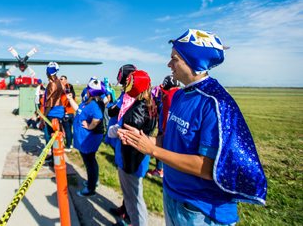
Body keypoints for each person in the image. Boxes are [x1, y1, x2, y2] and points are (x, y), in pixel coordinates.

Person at [119, 29, 267, 225]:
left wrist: (153, 150)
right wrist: (143, 140)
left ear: (194, 61)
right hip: (173, 194)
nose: (169, 64)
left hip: (199, 209)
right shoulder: (181, 96)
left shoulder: (215, 103)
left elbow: (207, 167)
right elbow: (171, 139)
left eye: (175, 58)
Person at [107, 69, 157, 226]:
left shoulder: (135, 111)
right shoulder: (149, 103)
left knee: (133, 199)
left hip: (131, 162)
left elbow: (124, 134)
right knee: (133, 198)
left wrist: (114, 130)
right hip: (139, 159)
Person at [67, 78, 106, 197]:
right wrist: (69, 99)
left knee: (89, 161)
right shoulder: (88, 101)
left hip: (90, 138)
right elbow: (78, 110)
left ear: (91, 91)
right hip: (87, 137)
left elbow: (97, 118)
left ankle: (91, 188)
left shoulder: (94, 104)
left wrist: (89, 126)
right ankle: (93, 181)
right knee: (90, 160)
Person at [147, 75, 180, 178]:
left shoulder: (169, 97)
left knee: (161, 151)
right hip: (171, 130)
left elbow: (167, 116)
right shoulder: (180, 95)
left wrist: (164, 131)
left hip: (166, 131)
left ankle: (159, 170)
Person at [43, 62, 65, 164]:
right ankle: (54, 157)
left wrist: (44, 116)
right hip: (58, 111)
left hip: (52, 112)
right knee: (55, 136)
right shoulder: (59, 82)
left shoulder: (52, 84)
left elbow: (50, 102)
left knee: (50, 137)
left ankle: (55, 159)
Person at [60, 75, 76, 152]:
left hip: (66, 114)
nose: (60, 80)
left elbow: (63, 104)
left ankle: (68, 146)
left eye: (61, 79)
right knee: (70, 129)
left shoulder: (66, 95)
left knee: (67, 130)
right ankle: (71, 143)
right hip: (72, 113)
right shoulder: (72, 94)